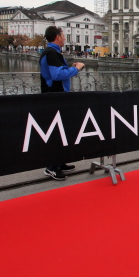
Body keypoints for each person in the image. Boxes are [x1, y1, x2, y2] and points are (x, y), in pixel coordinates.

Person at [39, 26, 85, 181]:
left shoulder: (52, 52)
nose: (65, 38)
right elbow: (57, 75)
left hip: (56, 96)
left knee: (61, 132)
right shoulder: (52, 53)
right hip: (54, 97)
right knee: (55, 132)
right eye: (63, 35)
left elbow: (57, 72)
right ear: (57, 37)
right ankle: (51, 167)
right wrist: (76, 69)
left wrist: (70, 68)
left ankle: (59, 162)